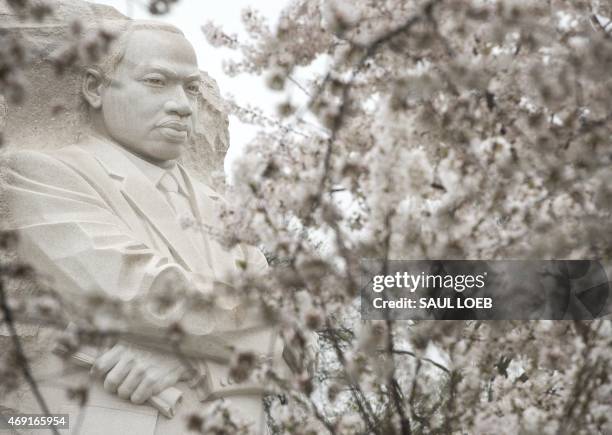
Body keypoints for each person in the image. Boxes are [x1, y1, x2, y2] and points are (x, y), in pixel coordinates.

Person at [1, 20, 279, 435]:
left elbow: (297, 344)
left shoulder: (226, 214)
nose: (183, 105)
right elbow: (144, 292)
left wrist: (191, 359)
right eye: (157, 81)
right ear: (95, 88)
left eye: (191, 88)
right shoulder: (38, 174)